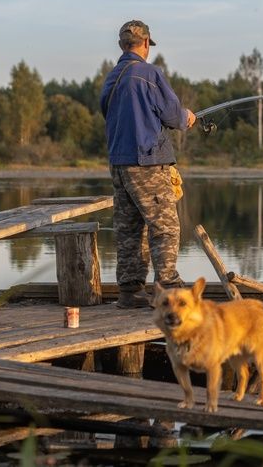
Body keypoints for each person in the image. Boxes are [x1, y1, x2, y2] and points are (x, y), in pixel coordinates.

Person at [100, 20, 196, 309]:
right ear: (145, 44)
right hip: (147, 162)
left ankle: (130, 292)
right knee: (164, 226)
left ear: (121, 46)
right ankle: (169, 287)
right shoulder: (149, 74)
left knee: (130, 228)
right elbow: (173, 117)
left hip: (119, 163)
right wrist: (187, 116)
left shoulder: (112, 77)